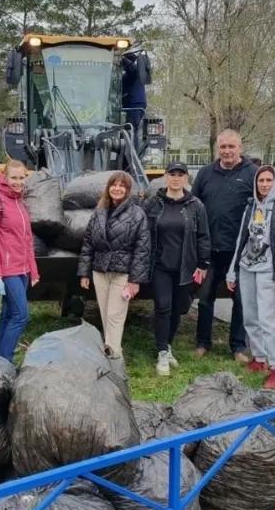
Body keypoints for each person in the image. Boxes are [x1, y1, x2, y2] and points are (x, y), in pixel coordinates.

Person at [225, 165, 275, 389]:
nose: (264, 184)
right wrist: (232, 270)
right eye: (261, 180)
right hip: (247, 266)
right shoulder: (251, 206)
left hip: (269, 268)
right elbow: (242, 239)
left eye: (268, 180)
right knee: (249, 315)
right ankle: (259, 358)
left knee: (267, 319)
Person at [191, 128, 257, 363]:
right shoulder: (205, 174)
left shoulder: (253, 174)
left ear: (240, 148)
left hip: (240, 252)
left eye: (231, 146)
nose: (227, 151)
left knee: (240, 299)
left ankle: (238, 347)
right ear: (217, 148)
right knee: (205, 297)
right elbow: (193, 205)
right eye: (223, 147)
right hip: (209, 249)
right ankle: (202, 342)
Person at [143, 161, 211, 376]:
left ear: (186, 179)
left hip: (185, 266)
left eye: (181, 174)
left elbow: (203, 237)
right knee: (163, 307)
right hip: (160, 265)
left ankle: (168, 344)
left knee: (178, 308)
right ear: (165, 177)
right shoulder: (153, 204)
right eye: (172, 173)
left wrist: (203, 263)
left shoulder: (195, 205)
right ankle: (162, 351)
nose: (176, 178)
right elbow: (143, 233)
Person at [77, 171, 151, 366]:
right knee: (104, 314)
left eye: (122, 186)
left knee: (114, 316)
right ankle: (111, 350)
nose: (117, 188)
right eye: (114, 185)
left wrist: (135, 280)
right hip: (100, 270)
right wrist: (84, 272)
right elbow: (88, 244)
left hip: (122, 273)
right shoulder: (99, 211)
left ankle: (114, 358)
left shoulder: (137, 214)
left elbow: (142, 249)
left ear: (127, 190)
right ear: (108, 188)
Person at [0, 159, 40, 362]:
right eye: (13, 177)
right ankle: (5, 360)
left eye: (21, 177)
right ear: (4, 178)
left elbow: (26, 240)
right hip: (8, 270)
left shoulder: (20, 203)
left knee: (8, 315)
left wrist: (33, 270)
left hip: (22, 269)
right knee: (21, 315)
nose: (18, 182)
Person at [120, 48, 147, 153]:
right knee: (129, 128)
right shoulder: (127, 76)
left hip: (136, 104)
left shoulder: (135, 72)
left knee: (131, 129)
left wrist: (121, 58)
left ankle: (132, 152)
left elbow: (131, 68)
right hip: (132, 104)